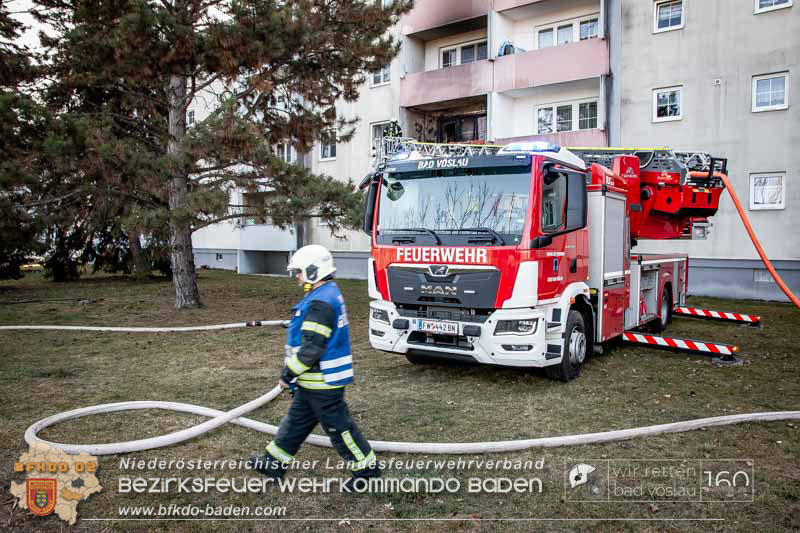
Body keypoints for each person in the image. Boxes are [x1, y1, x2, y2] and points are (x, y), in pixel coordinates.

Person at [248, 245, 380, 491]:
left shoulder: (321, 302)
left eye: (298, 272)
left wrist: (288, 374)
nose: (296, 278)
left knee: (339, 429)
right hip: (313, 381)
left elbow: (312, 349)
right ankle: (273, 463)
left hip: (323, 382)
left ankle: (367, 470)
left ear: (312, 271)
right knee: (295, 423)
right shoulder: (326, 293)